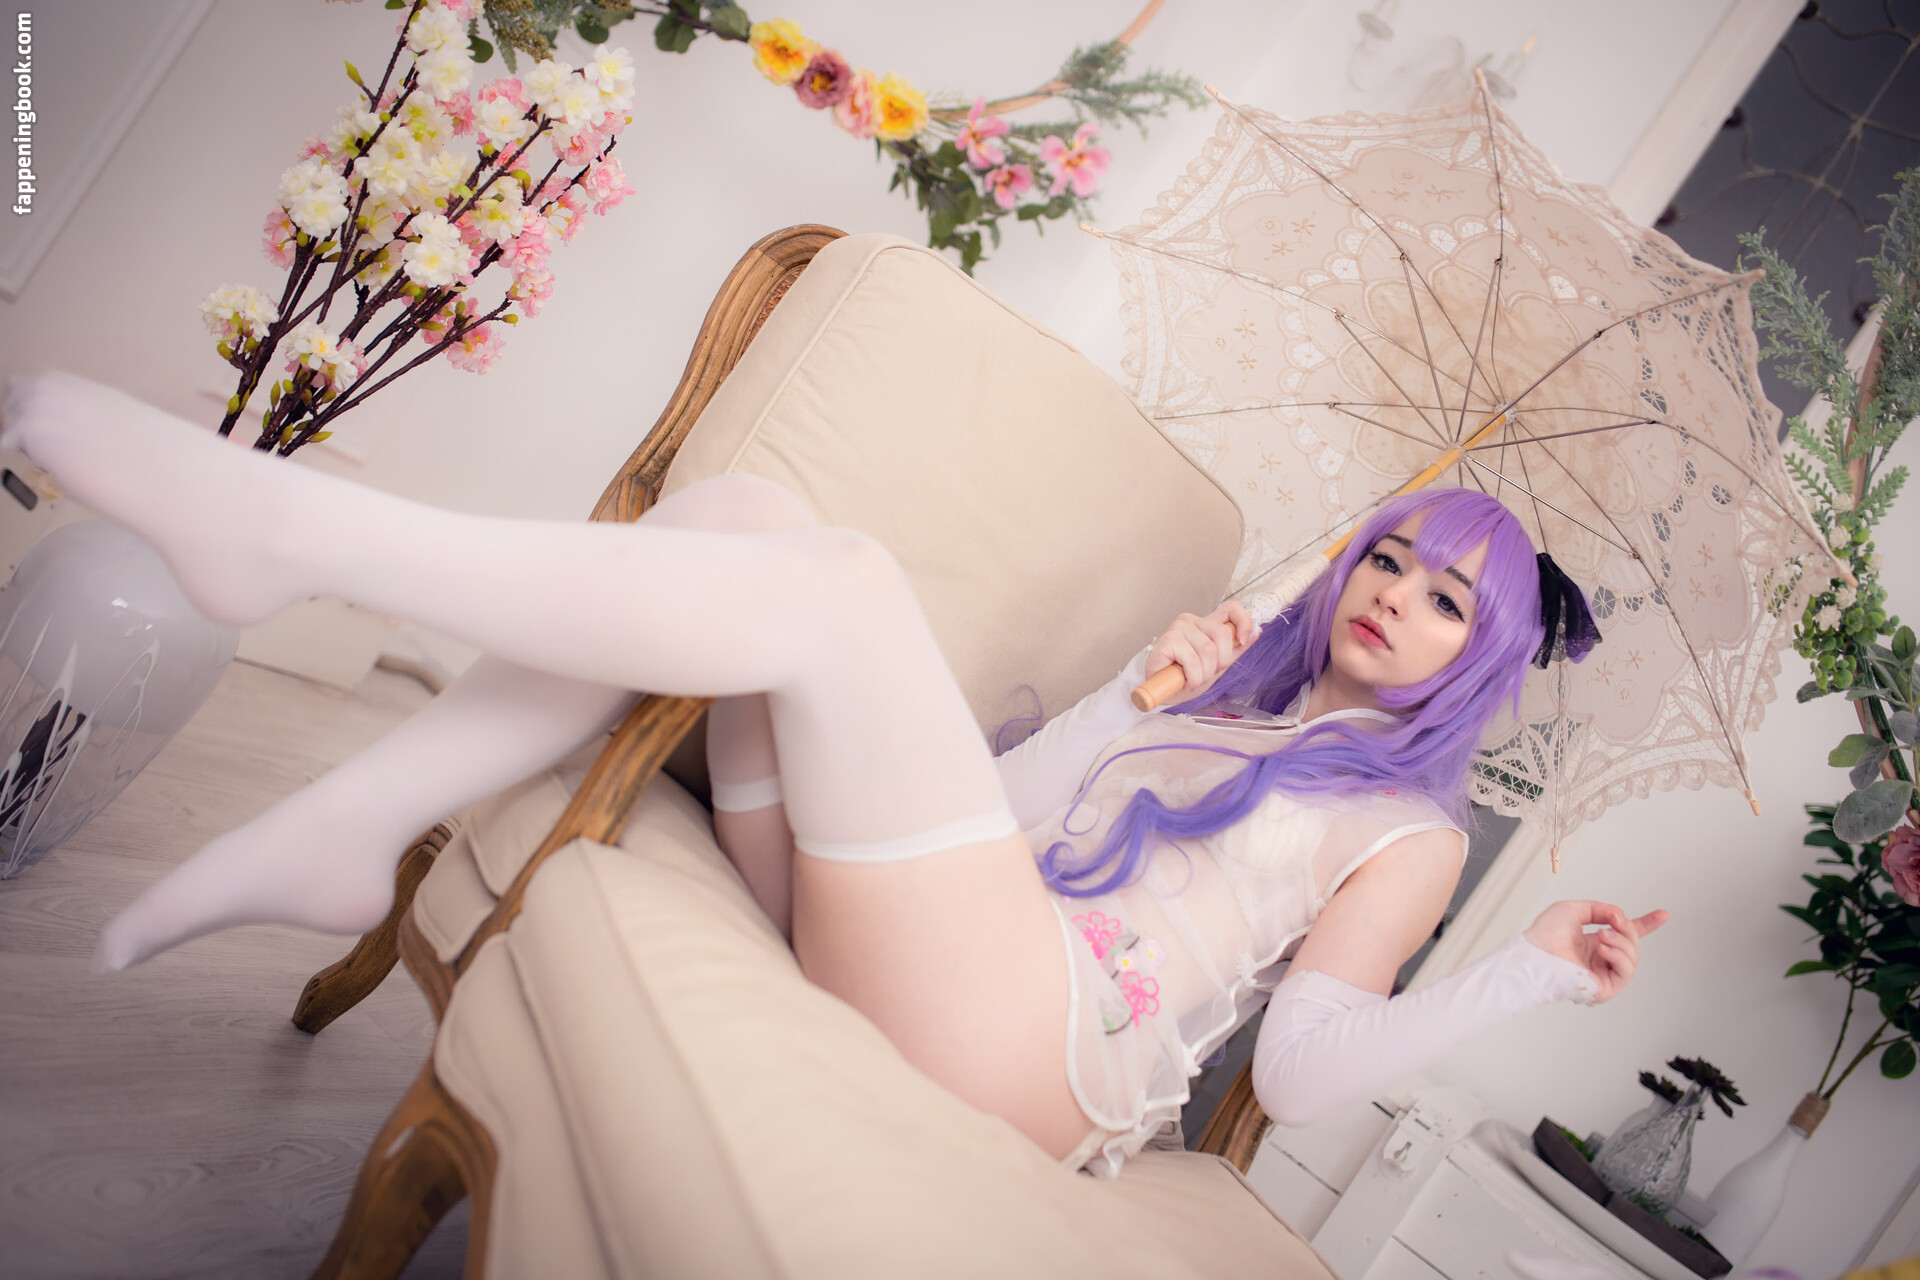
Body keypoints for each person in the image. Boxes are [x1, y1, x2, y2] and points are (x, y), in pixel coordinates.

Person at [0, 371, 1665, 1177]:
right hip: (942, 950)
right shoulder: (1232, 704)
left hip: (1033, 1066)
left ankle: (293, 537)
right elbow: (1001, 830)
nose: (1395, 599)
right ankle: (355, 822)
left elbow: (1292, 1080)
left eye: (1447, 602)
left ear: (1484, 657)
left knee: (845, 581)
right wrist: (1139, 697)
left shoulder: (1409, 830)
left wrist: (1527, 971)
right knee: (745, 518)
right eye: (1390, 558)